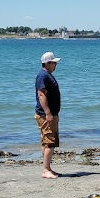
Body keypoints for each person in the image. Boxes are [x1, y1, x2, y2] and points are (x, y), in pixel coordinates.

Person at [34, 51, 61, 179]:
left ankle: (48, 168)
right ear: (47, 63)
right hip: (46, 115)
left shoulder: (47, 75)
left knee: (47, 141)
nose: (56, 65)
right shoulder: (43, 76)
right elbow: (41, 94)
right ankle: (45, 170)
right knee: (50, 142)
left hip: (50, 114)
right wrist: (48, 113)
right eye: (54, 63)